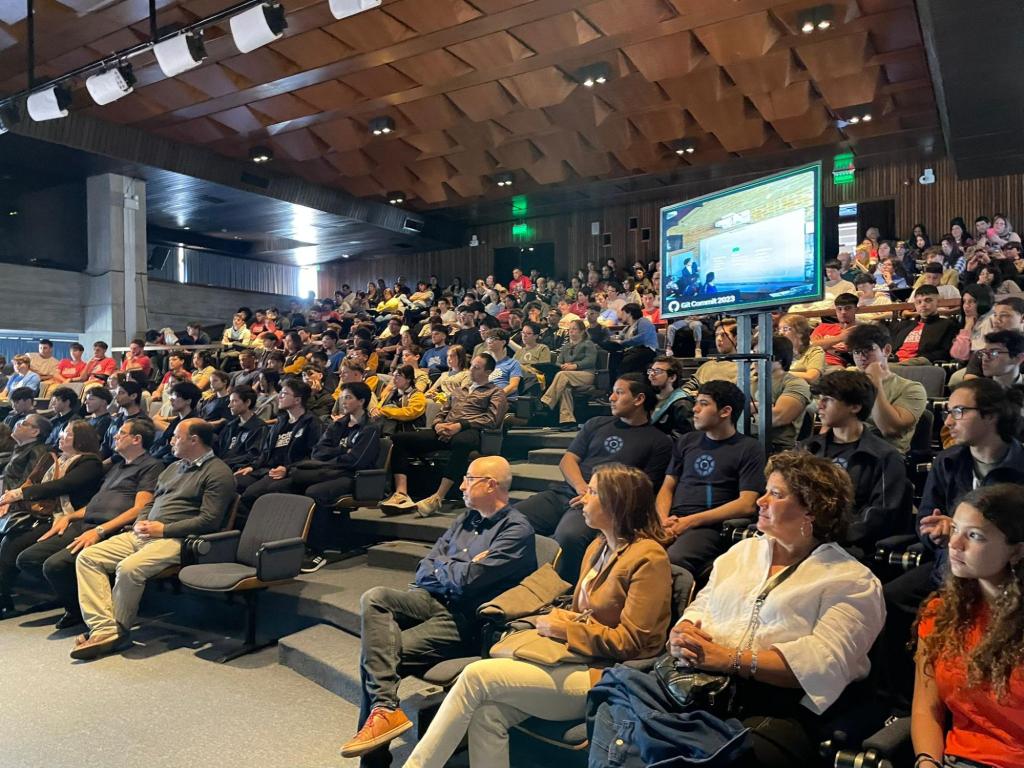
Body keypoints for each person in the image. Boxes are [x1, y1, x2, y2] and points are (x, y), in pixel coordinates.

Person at [405, 463, 671, 768]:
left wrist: (564, 630)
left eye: (593, 492)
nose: (583, 498)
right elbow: (583, 613)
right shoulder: (597, 546)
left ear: (616, 503)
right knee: (486, 713)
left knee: (476, 675)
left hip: (603, 676)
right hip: (570, 660)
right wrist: (564, 621)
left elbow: (637, 642)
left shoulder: (649, 557)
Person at [657, 452, 885, 768]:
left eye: (775, 494)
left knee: (682, 753)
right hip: (704, 686)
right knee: (618, 698)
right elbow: (704, 603)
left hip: (780, 708)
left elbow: (821, 665)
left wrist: (727, 659)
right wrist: (684, 629)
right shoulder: (743, 552)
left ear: (812, 510)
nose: (760, 501)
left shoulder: (851, 581)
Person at [341, 456, 537, 760]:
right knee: (376, 596)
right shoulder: (465, 519)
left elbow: (470, 583)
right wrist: (459, 565)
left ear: (490, 484)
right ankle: (384, 710)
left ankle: (374, 758)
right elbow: (424, 567)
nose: (461, 486)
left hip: (468, 621)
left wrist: (447, 567)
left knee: (380, 651)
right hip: (432, 600)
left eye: (469, 479)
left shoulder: (517, 531)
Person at [72, 418, 235, 659]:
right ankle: (105, 629)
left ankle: (117, 631)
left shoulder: (218, 472)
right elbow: (151, 502)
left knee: (128, 568)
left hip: (178, 539)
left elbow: (209, 521)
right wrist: (141, 522)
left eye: (177, 437)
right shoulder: (173, 468)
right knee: (88, 557)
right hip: (145, 533)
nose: (171, 441)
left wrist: (163, 530)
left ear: (194, 440)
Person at [517, 373, 672, 581]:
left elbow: (643, 487)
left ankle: (562, 590)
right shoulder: (596, 423)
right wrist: (583, 489)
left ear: (639, 399)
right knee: (513, 519)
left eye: (619, 393)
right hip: (566, 492)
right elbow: (568, 461)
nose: (611, 398)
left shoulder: (659, 441)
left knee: (569, 537)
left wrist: (594, 496)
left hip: (604, 505)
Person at [911, 484, 1024, 768]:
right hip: (959, 760)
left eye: (974, 536)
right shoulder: (941, 614)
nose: (955, 543)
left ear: (1017, 551)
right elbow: (927, 709)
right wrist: (927, 763)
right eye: (956, 529)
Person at [16, 419, 162, 630]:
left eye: (121, 433)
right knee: (29, 559)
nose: (115, 436)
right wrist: (69, 516)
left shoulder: (151, 466)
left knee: (54, 565)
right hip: (85, 522)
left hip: (110, 529)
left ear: (137, 439)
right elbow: (96, 503)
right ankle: (76, 600)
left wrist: (100, 530)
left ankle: (77, 609)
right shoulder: (117, 466)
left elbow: (140, 509)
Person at [656, 380, 766, 573]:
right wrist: (662, 520)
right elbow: (667, 486)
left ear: (725, 412)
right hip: (671, 520)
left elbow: (747, 503)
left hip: (709, 526)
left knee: (669, 560)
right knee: (624, 551)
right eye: (696, 402)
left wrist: (689, 521)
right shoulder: (687, 441)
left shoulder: (749, 448)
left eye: (704, 404)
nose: (695, 410)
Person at [380, 354, 508, 518]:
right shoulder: (459, 390)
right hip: (446, 428)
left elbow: (492, 419)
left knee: (462, 442)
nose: (471, 370)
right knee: (400, 439)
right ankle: (401, 493)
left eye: (477, 367)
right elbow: (443, 412)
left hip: (471, 431)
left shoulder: (496, 392)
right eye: (471, 366)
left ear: (488, 371)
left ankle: (438, 497)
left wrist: (460, 425)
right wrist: (438, 425)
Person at [0, 421, 104, 616]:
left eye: (68, 434)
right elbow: (34, 482)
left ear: (82, 440)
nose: (62, 436)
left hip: (68, 516)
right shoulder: (56, 459)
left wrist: (19, 494)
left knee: (15, 547)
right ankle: (4, 597)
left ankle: (67, 595)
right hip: (44, 513)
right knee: (9, 539)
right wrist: (14, 498)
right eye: (62, 433)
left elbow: (63, 485)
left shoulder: (90, 462)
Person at [800, 371, 911, 552]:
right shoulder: (808, 449)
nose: (819, 405)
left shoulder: (885, 456)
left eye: (828, 399)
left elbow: (879, 514)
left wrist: (826, 535)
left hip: (852, 546)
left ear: (855, 406)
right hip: (805, 537)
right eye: (819, 398)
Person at [279, 381, 381, 572]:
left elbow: (356, 461)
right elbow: (318, 452)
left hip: (355, 478)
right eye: (342, 397)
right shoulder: (338, 424)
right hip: (330, 471)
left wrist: (333, 456)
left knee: (315, 492)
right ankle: (291, 544)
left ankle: (317, 550)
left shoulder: (370, 429)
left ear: (362, 401)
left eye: (348, 397)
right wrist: (342, 449)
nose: (343, 401)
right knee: (292, 485)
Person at [234, 377, 322, 517]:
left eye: (284, 394)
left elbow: (313, 456)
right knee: (235, 483)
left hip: (292, 471)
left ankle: (257, 529)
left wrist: (288, 469)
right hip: (267, 469)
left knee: (252, 494)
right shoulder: (280, 422)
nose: (279, 396)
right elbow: (266, 451)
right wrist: (253, 466)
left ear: (298, 400)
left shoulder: (312, 423)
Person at [845, 323, 928, 454]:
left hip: (884, 457)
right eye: (856, 352)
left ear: (886, 350)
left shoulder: (911, 389)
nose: (862, 357)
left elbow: (889, 429)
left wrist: (875, 380)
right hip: (846, 450)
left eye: (868, 350)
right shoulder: (848, 380)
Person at [539, 319, 598, 431]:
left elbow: (590, 361)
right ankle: (569, 421)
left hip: (586, 375)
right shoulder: (566, 346)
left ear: (582, 331)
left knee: (563, 375)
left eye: (574, 329)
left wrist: (575, 366)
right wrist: (563, 365)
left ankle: (546, 401)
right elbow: (558, 362)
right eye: (570, 329)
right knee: (565, 389)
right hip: (567, 376)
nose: (571, 331)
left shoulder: (588, 344)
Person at [892, 285, 958, 364]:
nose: (923, 305)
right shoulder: (904, 325)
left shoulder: (947, 325)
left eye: (928, 300)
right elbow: (892, 349)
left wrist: (921, 359)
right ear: (915, 305)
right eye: (919, 302)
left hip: (921, 363)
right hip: (895, 361)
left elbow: (945, 352)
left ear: (938, 302)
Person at [216, 385, 268, 470]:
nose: (229, 405)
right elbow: (219, 448)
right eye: (230, 401)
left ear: (247, 402)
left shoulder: (259, 427)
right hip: (222, 467)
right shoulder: (230, 426)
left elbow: (253, 455)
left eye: (234, 401)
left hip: (239, 468)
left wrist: (225, 463)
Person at [100, 380, 152, 463]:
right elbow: (105, 446)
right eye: (117, 393)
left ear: (133, 396)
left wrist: (104, 464)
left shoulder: (143, 422)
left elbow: (132, 450)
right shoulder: (116, 419)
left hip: (125, 463)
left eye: (121, 393)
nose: (116, 397)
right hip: (107, 462)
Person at [682, 320, 739, 396]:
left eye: (723, 335)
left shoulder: (746, 367)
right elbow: (686, 388)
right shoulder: (707, 366)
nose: (718, 339)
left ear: (736, 338)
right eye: (716, 335)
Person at [149, 381, 201, 464]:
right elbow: (161, 441)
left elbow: (175, 454)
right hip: (159, 459)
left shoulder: (192, 424)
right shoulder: (176, 420)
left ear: (188, 401)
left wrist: (153, 459)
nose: (171, 399)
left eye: (176, 396)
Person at [2, 414, 52, 492]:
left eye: (24, 423)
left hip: (9, 494)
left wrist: (8, 496)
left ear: (35, 432)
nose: (18, 424)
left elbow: (26, 483)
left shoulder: (38, 451)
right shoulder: (22, 446)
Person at [810, 293, 860, 370]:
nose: (843, 312)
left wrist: (824, 344)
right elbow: (810, 347)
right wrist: (840, 338)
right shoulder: (823, 327)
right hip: (810, 363)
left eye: (848, 308)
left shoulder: (861, 330)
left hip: (834, 367)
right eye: (839, 309)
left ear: (856, 309)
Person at [373, 365, 426, 435]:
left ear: (408, 379)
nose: (394, 379)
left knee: (391, 407)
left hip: (407, 430)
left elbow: (409, 413)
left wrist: (385, 411)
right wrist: (374, 410)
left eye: (398, 376)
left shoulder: (417, 395)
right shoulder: (392, 392)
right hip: (387, 426)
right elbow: (380, 405)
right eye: (393, 376)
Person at [647, 356, 693, 435]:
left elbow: (683, 436)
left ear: (672, 377)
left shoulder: (682, 404)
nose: (651, 374)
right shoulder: (650, 399)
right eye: (651, 370)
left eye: (657, 371)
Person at [778, 314, 825, 384]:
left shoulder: (814, 352)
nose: (780, 333)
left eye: (785, 329)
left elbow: (811, 377)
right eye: (779, 329)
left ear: (800, 333)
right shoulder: (779, 352)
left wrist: (779, 374)